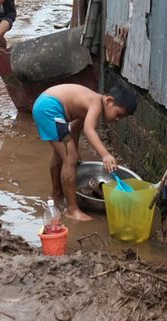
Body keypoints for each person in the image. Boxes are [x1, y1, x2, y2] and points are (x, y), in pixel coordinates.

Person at [31, 82, 137, 221]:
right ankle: (72, 210)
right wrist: (105, 155)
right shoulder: (96, 103)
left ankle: (57, 194)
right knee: (70, 159)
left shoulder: (90, 102)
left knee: (63, 154)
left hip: (45, 104)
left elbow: (75, 128)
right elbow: (89, 130)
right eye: (118, 114)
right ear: (109, 100)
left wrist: (74, 148)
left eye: (121, 118)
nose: (117, 120)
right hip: (49, 108)